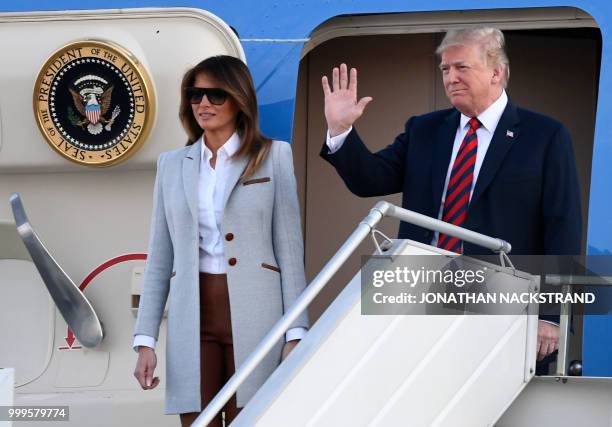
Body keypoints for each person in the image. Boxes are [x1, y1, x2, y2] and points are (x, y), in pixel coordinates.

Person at [320, 27, 581, 369]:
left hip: (504, 303)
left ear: (496, 72)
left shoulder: (545, 135)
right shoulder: (424, 129)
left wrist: (552, 316)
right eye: (445, 69)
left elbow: (563, 227)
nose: (451, 77)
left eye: (462, 67)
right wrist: (341, 131)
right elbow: (369, 179)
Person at [133, 55, 309, 426]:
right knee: (198, 420)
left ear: (238, 98)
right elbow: (160, 258)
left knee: (255, 416)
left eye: (215, 94)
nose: (203, 104)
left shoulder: (273, 156)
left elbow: (290, 251)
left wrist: (297, 331)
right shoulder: (171, 164)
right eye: (195, 95)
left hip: (259, 314)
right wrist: (145, 339)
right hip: (192, 315)